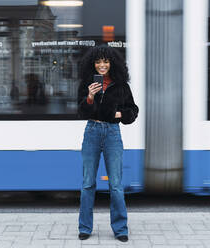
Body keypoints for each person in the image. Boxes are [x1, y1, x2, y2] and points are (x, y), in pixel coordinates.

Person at [77, 45, 139, 242]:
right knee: (88, 183)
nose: (102, 65)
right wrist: (90, 96)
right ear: (92, 64)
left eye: (105, 61)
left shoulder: (121, 86)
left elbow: (132, 110)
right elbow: (82, 112)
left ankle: (120, 229)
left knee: (116, 185)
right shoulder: (87, 84)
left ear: (112, 63)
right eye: (98, 62)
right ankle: (85, 227)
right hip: (92, 132)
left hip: (112, 133)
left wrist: (119, 114)